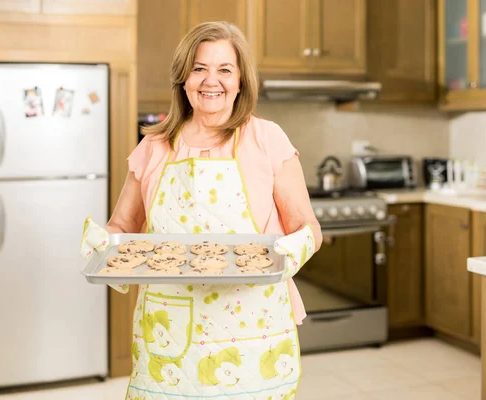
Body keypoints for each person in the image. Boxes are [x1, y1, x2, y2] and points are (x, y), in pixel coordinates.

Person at [81, 21, 321, 400]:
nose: (212, 80)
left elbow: (306, 227)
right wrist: (102, 244)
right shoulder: (154, 146)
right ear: (184, 79)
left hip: (251, 325)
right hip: (170, 330)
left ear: (241, 81)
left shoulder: (267, 138)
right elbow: (123, 225)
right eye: (199, 68)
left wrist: (287, 255)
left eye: (225, 69)